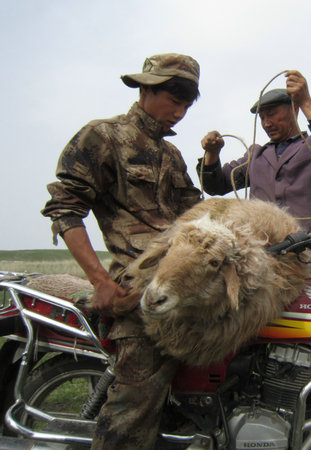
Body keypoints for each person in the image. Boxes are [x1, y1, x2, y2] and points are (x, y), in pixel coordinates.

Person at [41, 53, 202, 449]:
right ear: (146, 88)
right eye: (173, 100)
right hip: (137, 284)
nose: (179, 113)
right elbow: (65, 208)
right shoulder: (103, 137)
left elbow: (193, 215)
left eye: (186, 104)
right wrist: (100, 280)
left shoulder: (172, 156)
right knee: (137, 397)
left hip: (179, 277)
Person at [197, 70, 311, 276]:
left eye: (272, 115)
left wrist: (306, 102)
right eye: (262, 118)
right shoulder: (256, 156)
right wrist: (212, 154)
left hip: (308, 257)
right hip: (262, 259)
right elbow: (216, 185)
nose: (266, 123)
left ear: (294, 110)